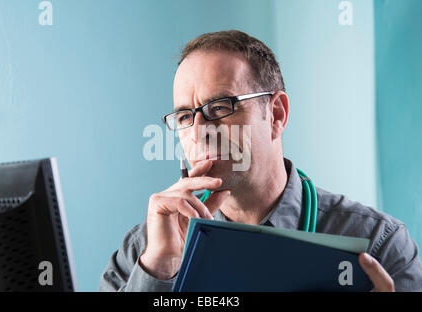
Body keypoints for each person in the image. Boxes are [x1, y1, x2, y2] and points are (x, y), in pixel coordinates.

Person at [99, 30, 422, 292]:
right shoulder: (144, 249)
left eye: (220, 107)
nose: (199, 132)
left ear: (276, 114)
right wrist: (159, 268)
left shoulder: (378, 242)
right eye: (185, 116)